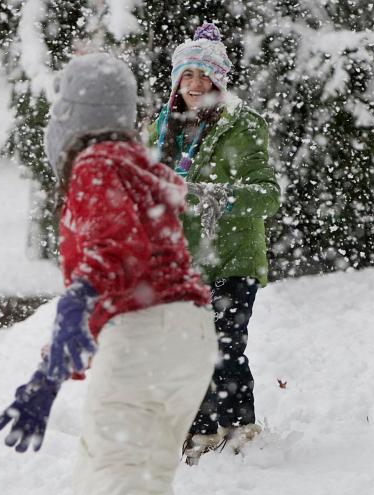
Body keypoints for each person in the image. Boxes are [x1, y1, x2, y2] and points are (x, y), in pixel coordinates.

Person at [0, 53, 217, 495]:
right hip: (188, 335)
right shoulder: (135, 168)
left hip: (143, 337)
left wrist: (77, 300)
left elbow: (115, 253)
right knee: (146, 485)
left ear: (75, 114)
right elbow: (120, 270)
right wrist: (50, 374)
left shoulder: (96, 163)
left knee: (111, 480)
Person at [148, 22, 281, 464]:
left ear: (220, 79)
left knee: (224, 346)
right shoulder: (160, 129)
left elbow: (268, 195)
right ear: (176, 81)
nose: (196, 84)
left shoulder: (242, 125)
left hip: (231, 258)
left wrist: (215, 196)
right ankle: (201, 430)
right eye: (188, 75)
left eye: (204, 75)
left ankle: (241, 426)